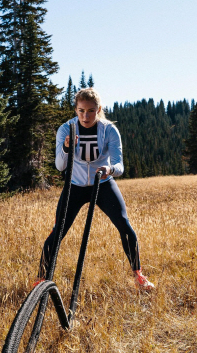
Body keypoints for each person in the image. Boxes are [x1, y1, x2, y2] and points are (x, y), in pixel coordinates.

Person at [36, 87, 155, 290]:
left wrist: (109, 169)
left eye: (90, 110)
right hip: (74, 186)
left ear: (98, 109)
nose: (85, 115)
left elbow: (120, 166)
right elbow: (60, 166)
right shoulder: (66, 129)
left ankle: (139, 275)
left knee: (124, 225)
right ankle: (41, 279)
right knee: (58, 232)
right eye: (81, 110)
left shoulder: (109, 130)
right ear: (75, 110)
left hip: (102, 184)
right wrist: (66, 148)